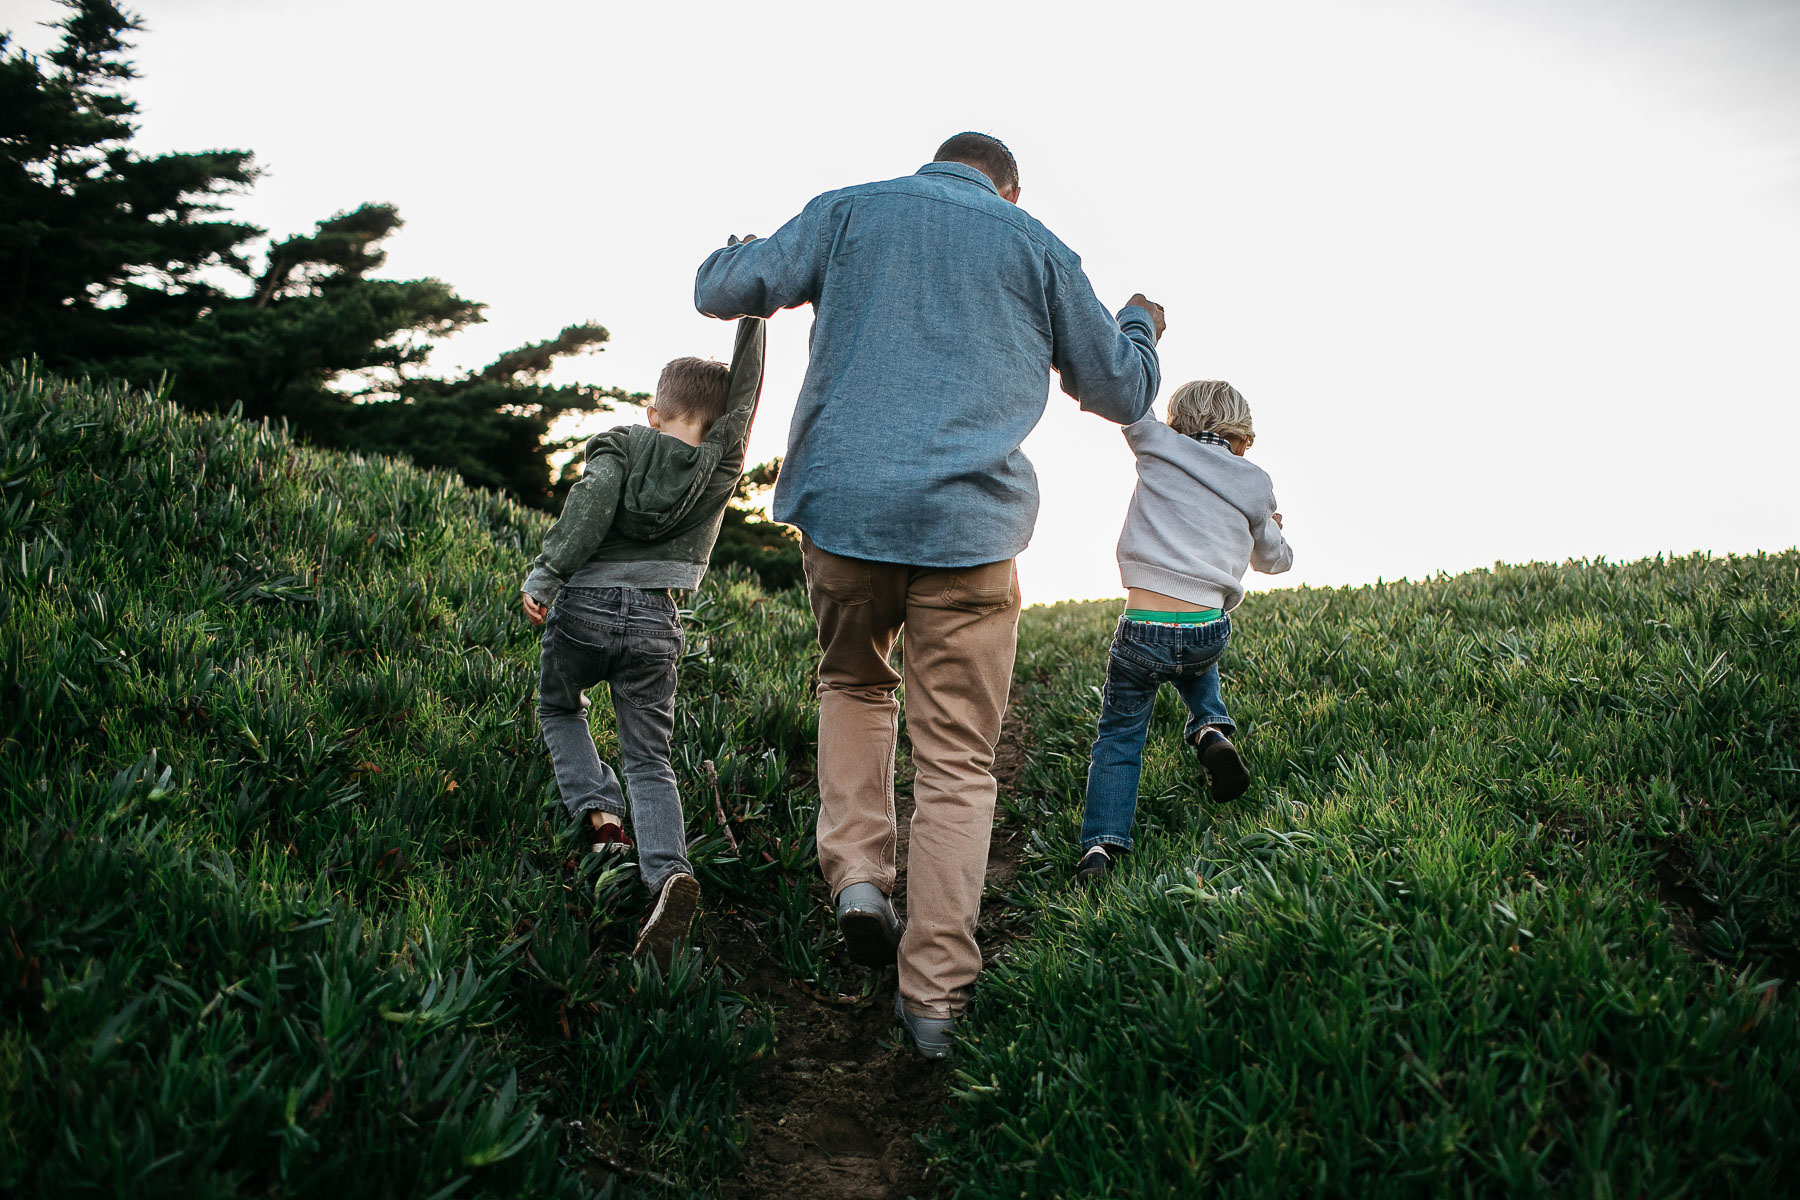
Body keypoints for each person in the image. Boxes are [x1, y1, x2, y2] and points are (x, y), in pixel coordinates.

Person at [692, 132, 1163, 1058]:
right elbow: (1122, 390)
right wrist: (1139, 322)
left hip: (845, 512)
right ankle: (936, 1002)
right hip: (969, 536)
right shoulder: (1036, 248)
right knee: (957, 764)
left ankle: (861, 880)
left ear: (934, 166)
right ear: (1010, 190)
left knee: (855, 684)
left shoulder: (850, 209)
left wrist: (731, 252)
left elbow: (720, 290)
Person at [519, 313, 766, 966]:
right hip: (657, 622)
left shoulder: (623, 443)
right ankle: (667, 876)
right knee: (649, 760)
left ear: (656, 411)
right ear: (719, 426)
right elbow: (745, 396)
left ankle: (600, 815)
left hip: (586, 605)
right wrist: (753, 315)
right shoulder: (721, 464)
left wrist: (547, 576)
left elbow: (592, 502)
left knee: (558, 706)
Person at [1074, 379, 1293, 886]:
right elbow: (1275, 560)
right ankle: (1211, 729)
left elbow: (1124, 392)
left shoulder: (1157, 443)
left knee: (1120, 738)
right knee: (1196, 652)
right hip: (1205, 635)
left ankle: (1101, 848)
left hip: (1141, 632)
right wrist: (1275, 526)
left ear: (1179, 422)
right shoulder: (1254, 482)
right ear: (1242, 437)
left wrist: (1138, 326)